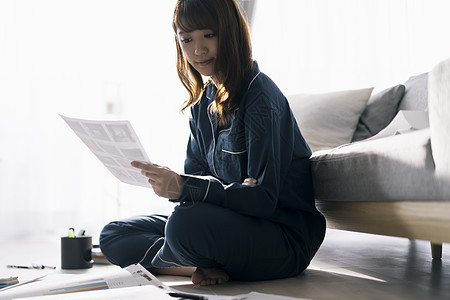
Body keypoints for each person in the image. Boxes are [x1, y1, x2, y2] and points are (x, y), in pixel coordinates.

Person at [100, 0, 326, 286]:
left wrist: (186, 186)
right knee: (114, 232)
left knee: (183, 226)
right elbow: (195, 192)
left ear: (230, 33)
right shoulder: (202, 104)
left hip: (281, 236)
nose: (198, 50)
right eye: (187, 39)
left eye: (209, 35)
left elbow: (263, 200)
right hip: (231, 222)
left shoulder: (261, 98)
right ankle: (194, 264)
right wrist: (182, 185)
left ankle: (193, 258)